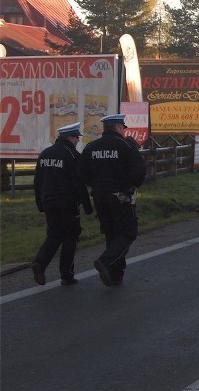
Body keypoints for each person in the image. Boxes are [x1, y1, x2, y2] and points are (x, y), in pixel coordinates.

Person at [77, 114, 146, 286]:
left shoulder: (91, 147)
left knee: (111, 233)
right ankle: (107, 261)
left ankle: (115, 274)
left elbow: (82, 173)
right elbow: (139, 171)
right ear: (117, 128)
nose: (124, 131)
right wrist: (129, 184)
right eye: (123, 128)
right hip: (120, 196)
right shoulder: (125, 145)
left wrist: (97, 185)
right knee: (128, 232)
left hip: (99, 196)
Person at [31, 122, 93, 286]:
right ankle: (66, 275)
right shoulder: (72, 155)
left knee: (54, 234)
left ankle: (39, 262)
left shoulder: (45, 154)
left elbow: (37, 181)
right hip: (67, 202)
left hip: (48, 200)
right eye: (76, 138)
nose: (78, 141)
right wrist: (87, 205)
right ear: (70, 137)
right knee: (70, 236)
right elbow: (78, 183)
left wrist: (40, 203)